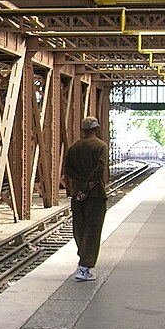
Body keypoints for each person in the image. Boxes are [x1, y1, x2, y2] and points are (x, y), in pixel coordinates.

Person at [63, 116, 110, 282]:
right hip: (95, 195)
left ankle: (82, 258)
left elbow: (67, 170)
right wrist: (87, 187)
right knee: (93, 230)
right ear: (96, 129)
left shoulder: (74, 147)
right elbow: (100, 169)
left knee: (80, 229)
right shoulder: (101, 146)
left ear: (83, 130)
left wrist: (81, 187)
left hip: (77, 196)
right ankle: (84, 267)